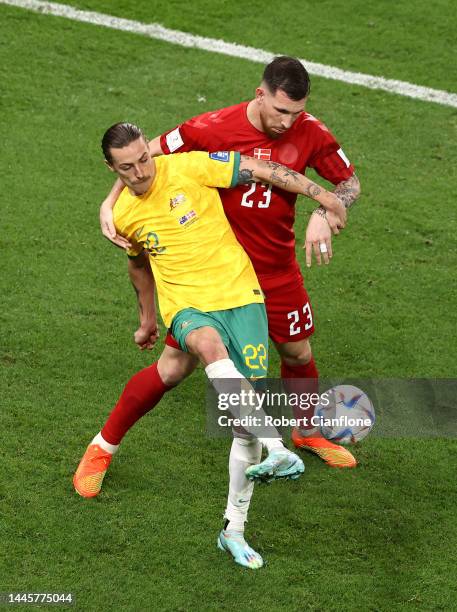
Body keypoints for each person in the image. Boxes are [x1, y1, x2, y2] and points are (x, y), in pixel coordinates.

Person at [74, 122, 346, 569]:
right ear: (111, 168)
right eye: (127, 167)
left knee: (230, 411)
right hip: (188, 306)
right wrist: (147, 318)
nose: (141, 172)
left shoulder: (191, 167)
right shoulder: (122, 214)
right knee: (208, 346)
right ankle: (277, 448)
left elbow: (262, 168)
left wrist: (324, 195)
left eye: (145, 159)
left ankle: (232, 530)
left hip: (242, 296)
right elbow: (139, 266)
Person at [98, 56, 360, 470]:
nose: (289, 123)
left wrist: (325, 211)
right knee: (172, 369)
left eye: (297, 113)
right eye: (280, 112)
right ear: (260, 94)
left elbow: (349, 182)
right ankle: (102, 448)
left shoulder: (311, 132)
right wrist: (110, 202)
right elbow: (143, 156)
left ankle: (306, 431)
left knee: (296, 351)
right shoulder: (211, 128)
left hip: (274, 267)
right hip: (214, 276)